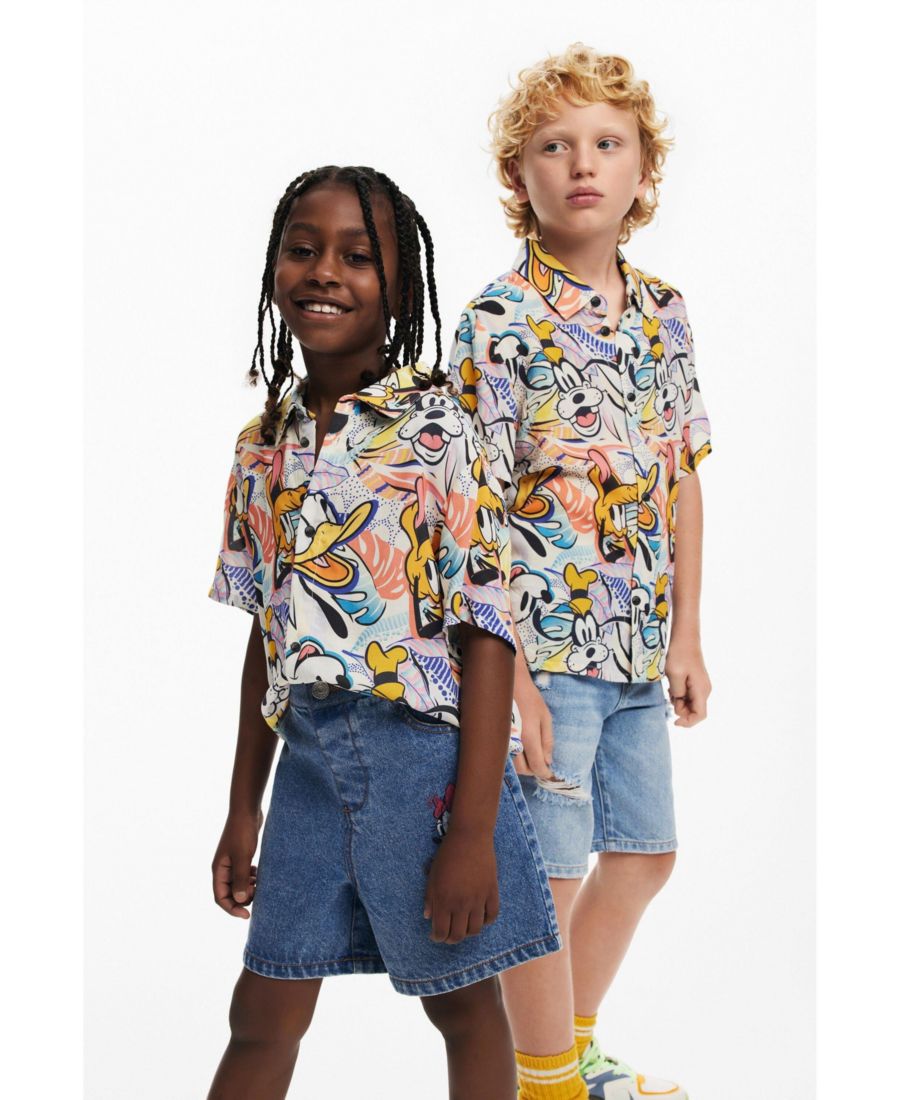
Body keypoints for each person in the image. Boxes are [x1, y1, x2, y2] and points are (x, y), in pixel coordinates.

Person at [206, 164, 561, 1100]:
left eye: (358, 257)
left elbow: (487, 633)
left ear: (400, 290)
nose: (325, 271)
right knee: (263, 1008)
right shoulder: (263, 445)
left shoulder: (439, 432)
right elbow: (267, 638)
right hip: (309, 767)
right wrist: (243, 807)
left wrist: (472, 832)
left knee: (463, 1003)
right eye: (303, 249)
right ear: (275, 268)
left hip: (424, 766)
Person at [448, 47, 713, 1100]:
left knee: (644, 853)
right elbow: (469, 511)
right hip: (545, 651)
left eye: (608, 143)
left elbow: (681, 475)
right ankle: (548, 1081)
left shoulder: (665, 310)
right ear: (520, 176)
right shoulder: (497, 321)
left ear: (644, 168)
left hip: (639, 645)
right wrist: (507, 675)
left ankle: (569, 1049)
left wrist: (687, 632)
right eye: (555, 147)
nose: (584, 163)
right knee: (551, 874)